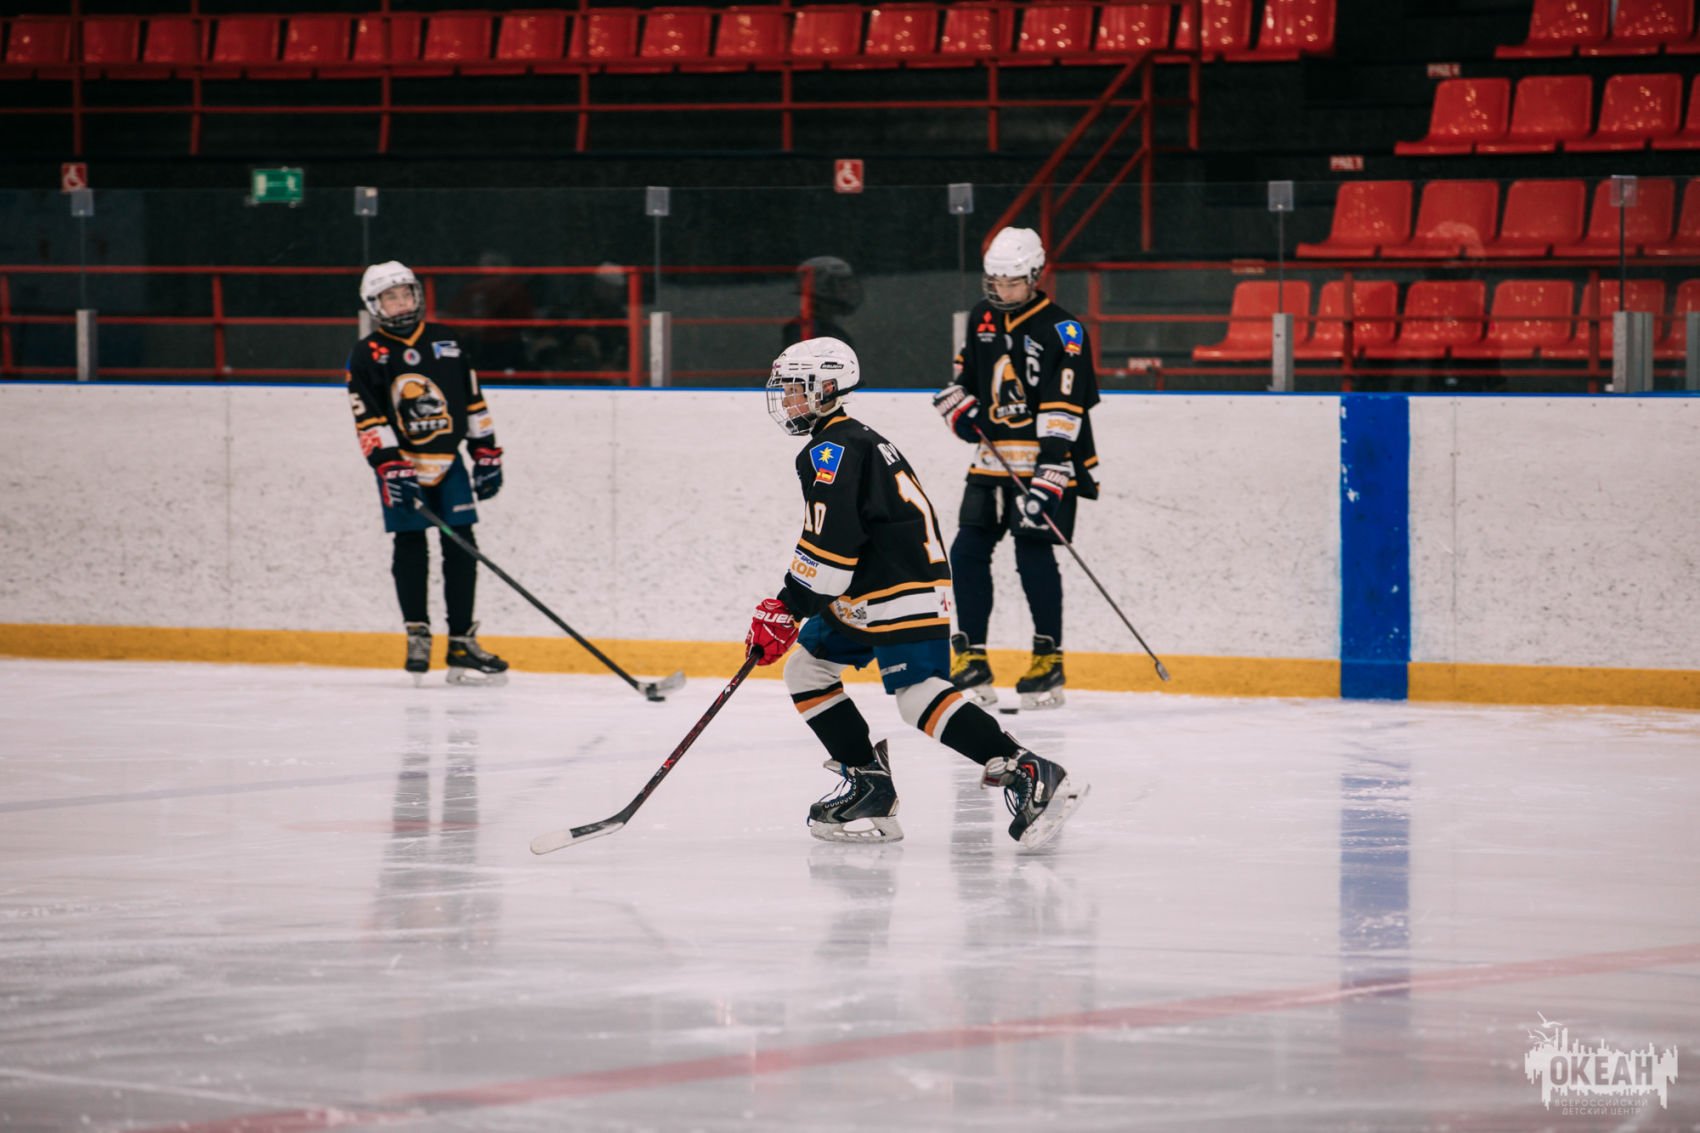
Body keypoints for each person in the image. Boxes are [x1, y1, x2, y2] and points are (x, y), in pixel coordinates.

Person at [745, 336, 1088, 849]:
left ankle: (1028, 770)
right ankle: (870, 786)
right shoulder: (849, 439)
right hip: (869, 586)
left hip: (901, 585)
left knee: (917, 696)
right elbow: (840, 546)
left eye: (796, 388)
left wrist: (788, 606)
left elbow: (831, 543)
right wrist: (792, 606)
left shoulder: (832, 449)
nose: (787, 400)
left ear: (827, 388)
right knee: (808, 670)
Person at [930, 227, 1101, 711]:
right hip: (993, 460)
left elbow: (1066, 405)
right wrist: (959, 409)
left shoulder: (1063, 330)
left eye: (1012, 282)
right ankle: (972, 657)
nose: (1002, 291)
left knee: (1033, 555)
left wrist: (1051, 474)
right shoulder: (981, 317)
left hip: (1048, 460)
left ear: (1034, 276)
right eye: (996, 282)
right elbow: (966, 379)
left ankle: (1048, 660)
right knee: (966, 551)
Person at [346, 260, 511, 686]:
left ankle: (461, 642)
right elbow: (368, 416)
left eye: (406, 293)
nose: (401, 303)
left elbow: (472, 400)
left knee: (462, 546)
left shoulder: (447, 341)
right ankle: (417, 634)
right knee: (410, 544)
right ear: (375, 305)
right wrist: (390, 465)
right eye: (391, 297)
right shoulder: (367, 353)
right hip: (402, 466)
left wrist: (485, 452)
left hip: (448, 462)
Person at [781, 255, 861, 350]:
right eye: (842, 285)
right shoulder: (810, 332)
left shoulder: (820, 328)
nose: (849, 291)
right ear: (821, 288)